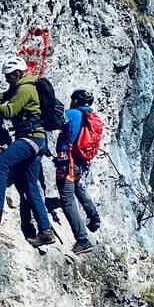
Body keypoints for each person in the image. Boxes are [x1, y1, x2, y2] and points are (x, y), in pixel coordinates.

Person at [0, 60, 55, 247]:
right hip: (37, 141)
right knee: (31, 185)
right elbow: (4, 96)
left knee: (0, 164)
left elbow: (8, 111)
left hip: (29, 139)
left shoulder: (25, 89)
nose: (6, 79)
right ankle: (46, 231)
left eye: (9, 75)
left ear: (18, 73)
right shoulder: (18, 87)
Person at [55, 89, 102, 255]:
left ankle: (82, 239)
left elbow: (55, 122)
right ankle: (93, 215)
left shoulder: (72, 113)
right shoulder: (92, 118)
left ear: (75, 100)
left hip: (66, 162)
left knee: (67, 200)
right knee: (77, 187)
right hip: (80, 163)